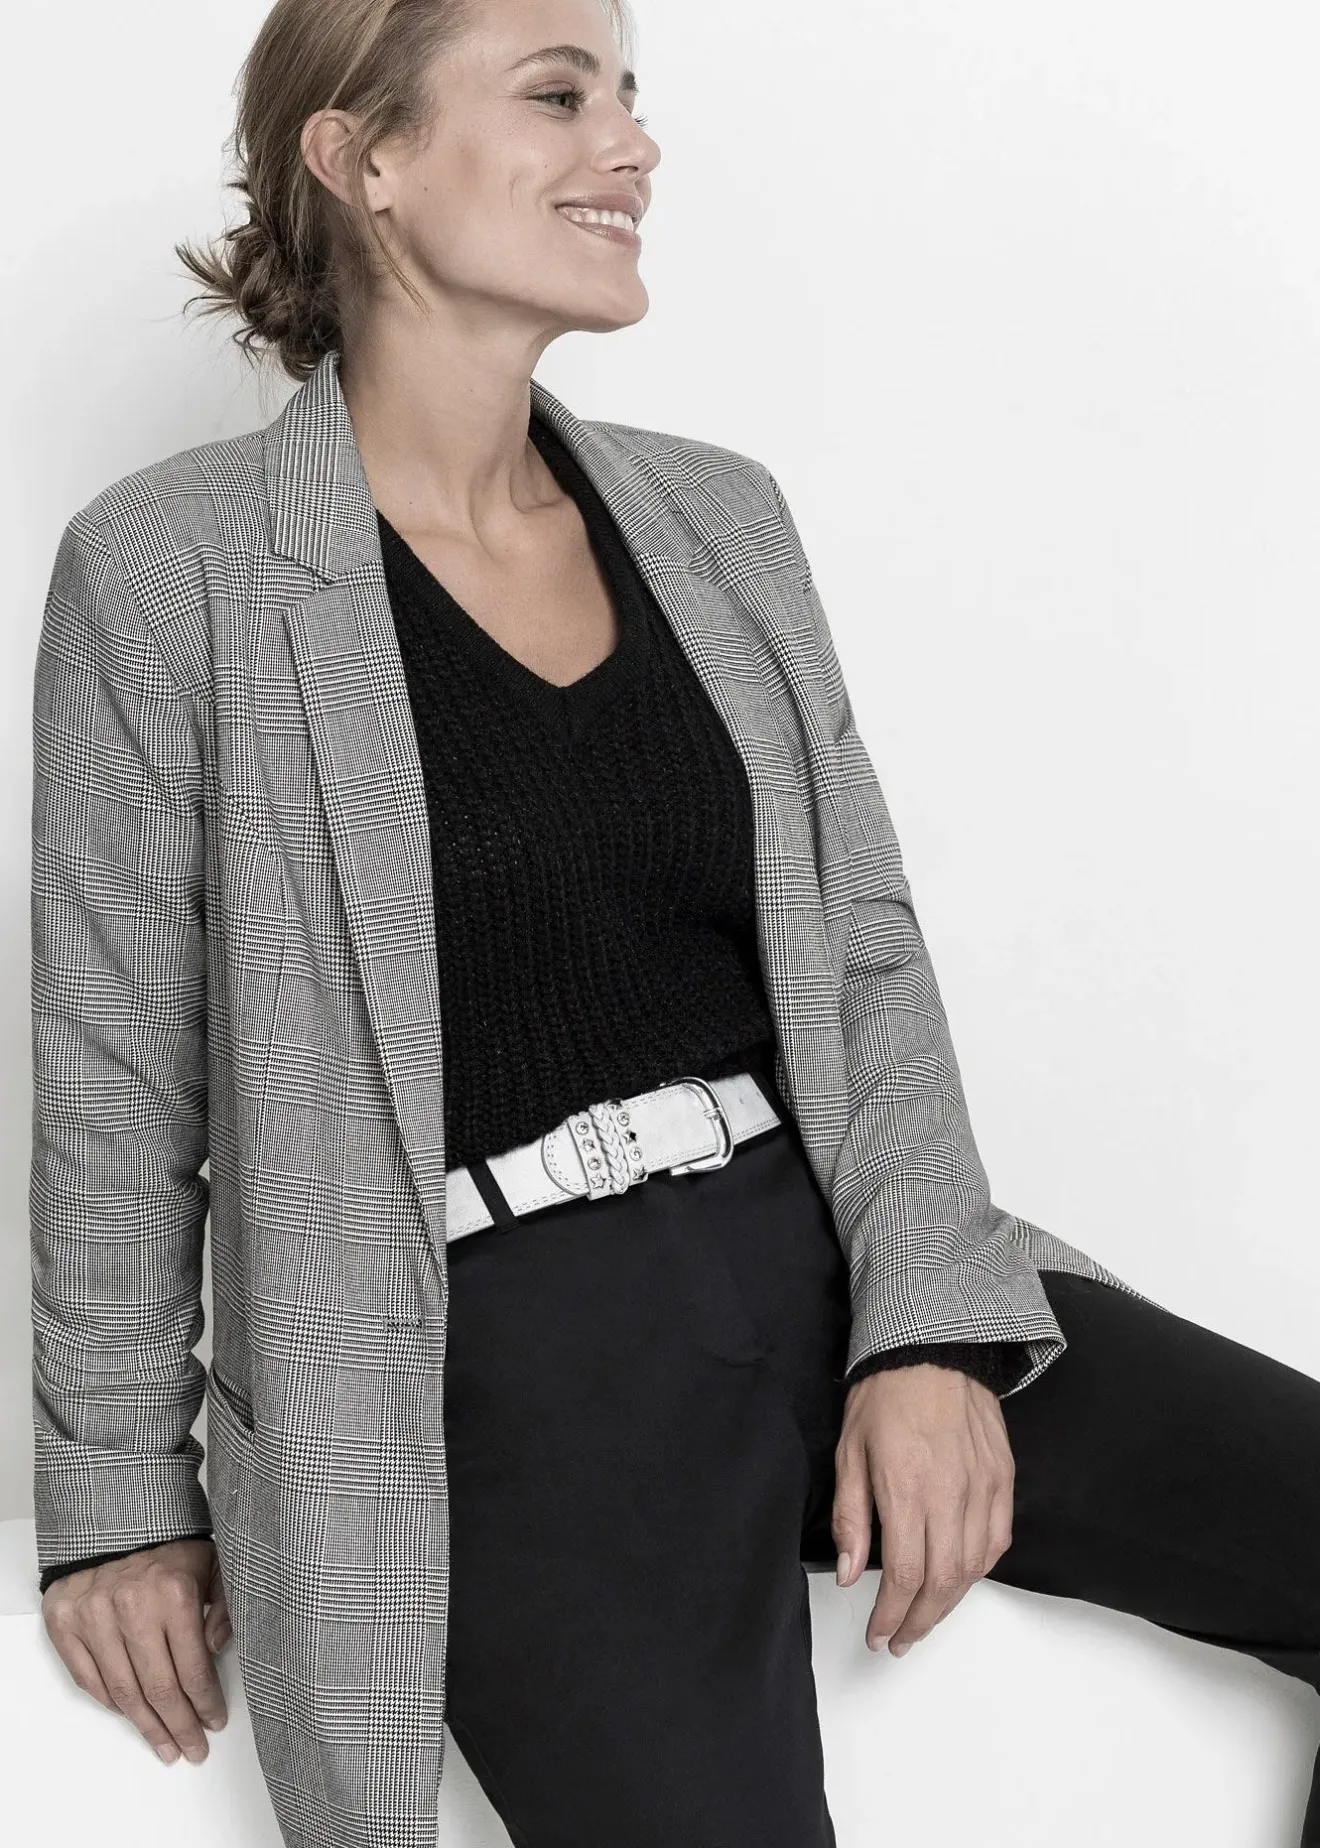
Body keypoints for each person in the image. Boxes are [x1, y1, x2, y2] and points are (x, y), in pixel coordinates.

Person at [30, 0, 1320, 1843]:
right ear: (361, 156)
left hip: (816, 1243)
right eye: (559, 95)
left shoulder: (722, 519)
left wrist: (926, 1335)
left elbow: (863, 955)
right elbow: (114, 1076)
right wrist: (119, 1501)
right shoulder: (173, 571)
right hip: (505, 1358)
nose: (630, 144)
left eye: (631, 97)